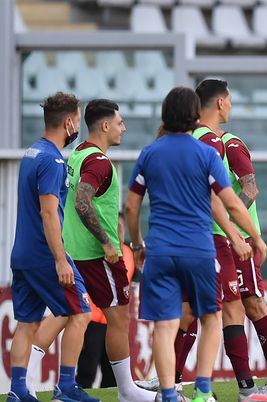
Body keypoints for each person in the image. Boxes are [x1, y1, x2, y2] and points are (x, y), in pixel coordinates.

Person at [137, 79, 267, 400]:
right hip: (213, 241)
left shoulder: (225, 143)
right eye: (229, 99)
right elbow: (224, 198)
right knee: (206, 311)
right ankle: (181, 381)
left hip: (224, 240)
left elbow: (242, 193)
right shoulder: (205, 144)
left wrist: (239, 233)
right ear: (218, 103)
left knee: (243, 306)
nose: (231, 104)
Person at [26, 99, 155, 402]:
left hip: (73, 252)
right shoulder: (99, 162)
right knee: (120, 319)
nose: (124, 127)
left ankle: (30, 384)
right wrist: (108, 243)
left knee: (67, 316)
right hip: (99, 257)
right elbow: (83, 202)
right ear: (106, 125)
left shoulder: (77, 153)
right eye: (120, 122)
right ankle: (126, 390)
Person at [7, 92, 97, 402]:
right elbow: (48, 212)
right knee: (82, 312)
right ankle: (67, 387)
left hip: (22, 253)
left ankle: (18, 391)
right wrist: (60, 258)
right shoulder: (53, 160)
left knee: (28, 322)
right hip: (45, 254)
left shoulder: (32, 152)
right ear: (70, 122)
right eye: (77, 121)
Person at [76, 213, 135, 390]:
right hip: (94, 319)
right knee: (88, 368)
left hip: (113, 321)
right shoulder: (97, 249)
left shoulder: (127, 252)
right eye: (115, 227)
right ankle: (79, 393)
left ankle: (112, 394)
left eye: (121, 228)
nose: (118, 231)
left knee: (111, 373)